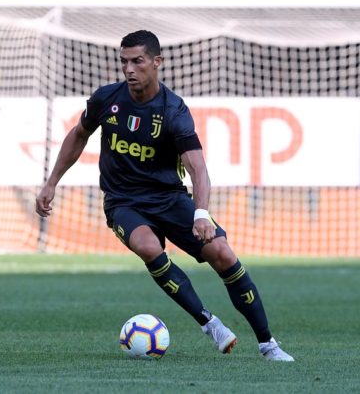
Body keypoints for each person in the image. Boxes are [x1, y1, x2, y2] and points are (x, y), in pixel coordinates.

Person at [35, 30, 294, 362]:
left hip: (169, 198)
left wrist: (201, 213)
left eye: (137, 61)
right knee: (148, 247)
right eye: (124, 62)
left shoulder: (173, 110)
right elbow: (78, 134)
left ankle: (268, 344)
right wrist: (51, 182)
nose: (129, 69)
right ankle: (209, 323)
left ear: (157, 62)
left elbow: (198, 168)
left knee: (223, 253)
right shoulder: (106, 99)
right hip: (123, 202)